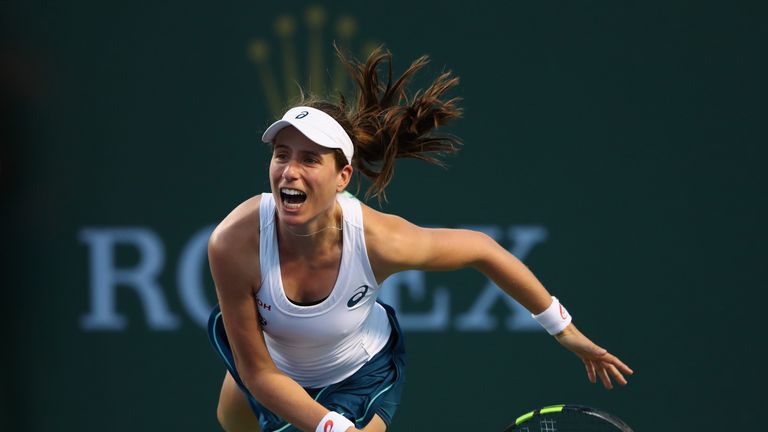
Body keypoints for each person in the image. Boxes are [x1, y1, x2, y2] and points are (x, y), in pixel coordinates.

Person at [206, 47, 633, 432]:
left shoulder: (380, 241)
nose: (289, 171)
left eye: (309, 159)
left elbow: (483, 250)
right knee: (231, 416)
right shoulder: (233, 242)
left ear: (343, 178)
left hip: (359, 376)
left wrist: (563, 329)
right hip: (271, 369)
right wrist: (327, 427)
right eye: (282, 154)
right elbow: (258, 373)